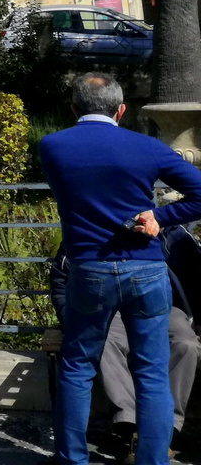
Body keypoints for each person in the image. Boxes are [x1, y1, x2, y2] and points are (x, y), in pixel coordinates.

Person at [39, 73, 201, 465]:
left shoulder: (52, 146)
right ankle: (152, 460)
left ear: (74, 107)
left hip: (88, 268)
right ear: (121, 109)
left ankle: (71, 459)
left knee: (77, 367)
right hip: (145, 271)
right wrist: (161, 216)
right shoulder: (145, 147)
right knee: (152, 372)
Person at [51, 220, 201, 461]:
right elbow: (61, 278)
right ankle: (131, 426)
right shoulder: (87, 230)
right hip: (108, 309)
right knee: (103, 342)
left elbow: (198, 278)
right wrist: (71, 320)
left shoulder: (173, 234)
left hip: (165, 307)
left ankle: (164, 428)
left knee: (186, 343)